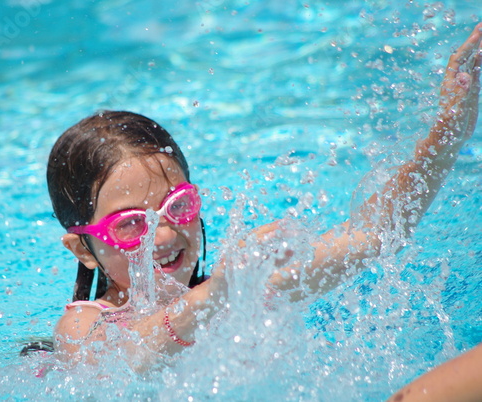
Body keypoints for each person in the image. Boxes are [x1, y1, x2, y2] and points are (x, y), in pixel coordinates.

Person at [46, 22, 481, 369]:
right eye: (130, 224)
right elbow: (130, 358)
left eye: (176, 206)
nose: (163, 237)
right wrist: (218, 291)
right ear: (83, 248)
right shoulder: (81, 326)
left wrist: (448, 134)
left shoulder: (240, 287)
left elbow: (375, 233)